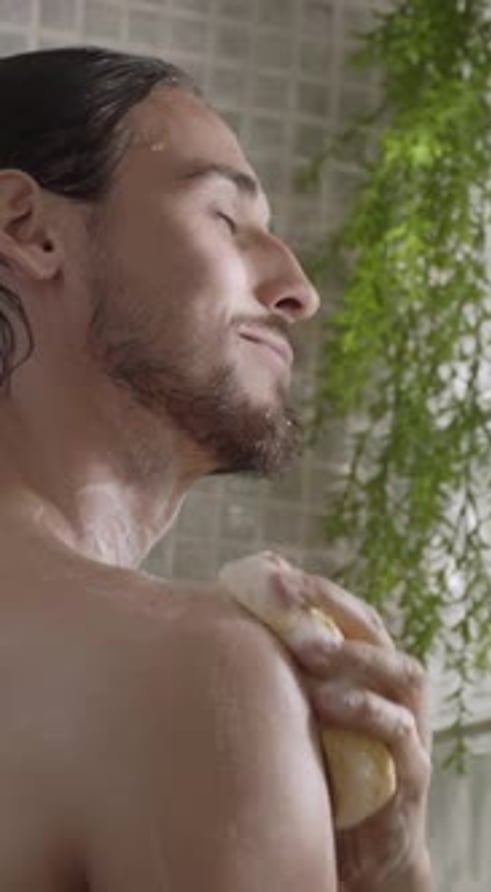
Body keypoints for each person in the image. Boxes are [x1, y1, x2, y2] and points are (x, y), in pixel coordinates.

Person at [0, 46, 432, 891]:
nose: (298, 289)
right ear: (29, 228)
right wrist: (396, 876)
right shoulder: (198, 676)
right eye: (226, 218)